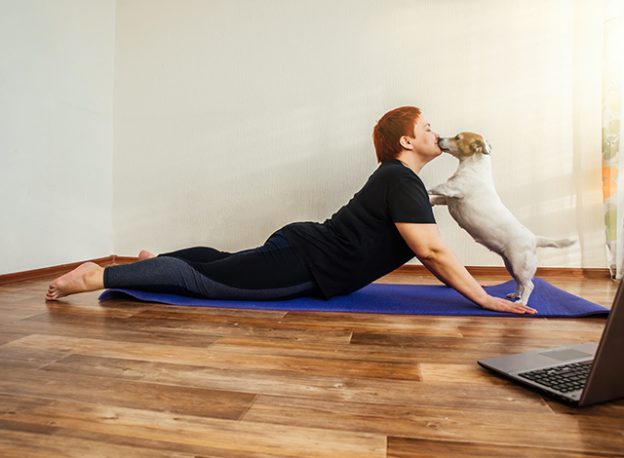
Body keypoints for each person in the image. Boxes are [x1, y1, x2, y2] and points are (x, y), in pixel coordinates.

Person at [46, 106, 537, 315]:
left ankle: (150, 262)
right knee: (207, 283)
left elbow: (430, 247)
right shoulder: (400, 179)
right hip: (306, 263)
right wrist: (485, 299)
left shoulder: (400, 181)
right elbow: (430, 250)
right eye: (428, 126)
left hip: (303, 248)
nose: (437, 132)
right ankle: (96, 278)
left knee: (218, 259)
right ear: (406, 140)